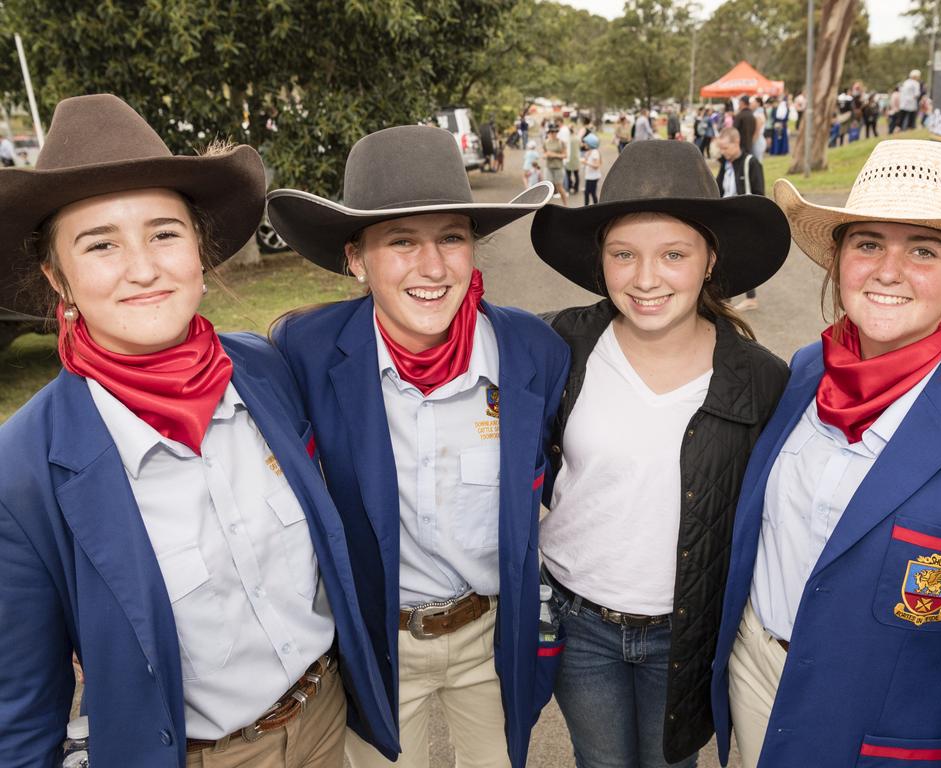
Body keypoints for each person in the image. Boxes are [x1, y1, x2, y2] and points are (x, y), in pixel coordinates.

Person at [0, 94, 398, 767]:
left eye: (164, 233)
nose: (143, 268)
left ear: (198, 249)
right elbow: (23, 710)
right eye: (100, 245)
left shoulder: (265, 370)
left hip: (326, 719)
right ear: (57, 278)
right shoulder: (25, 469)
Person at [710, 139, 941, 767]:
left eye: (924, 251)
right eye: (869, 243)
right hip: (756, 681)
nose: (888, 270)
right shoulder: (805, 371)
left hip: (878, 738)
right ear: (838, 260)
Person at [266, 125, 570, 768]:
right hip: (380, 643)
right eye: (401, 242)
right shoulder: (307, 352)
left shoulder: (530, 352)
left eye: (451, 238)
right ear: (356, 258)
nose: (432, 268)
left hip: (488, 633)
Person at [530, 140, 791, 768]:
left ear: (709, 261)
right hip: (578, 619)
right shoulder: (559, 346)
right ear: (602, 261)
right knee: (600, 759)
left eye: (673, 254)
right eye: (625, 254)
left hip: (685, 630)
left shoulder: (759, 380)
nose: (646, 280)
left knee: (672, 761)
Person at [715, 127, 765, 312]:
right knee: (725, 256)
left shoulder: (751, 163)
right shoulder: (725, 164)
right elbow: (719, 189)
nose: (723, 152)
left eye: (726, 148)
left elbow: (759, 194)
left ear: (736, 143)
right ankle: (725, 297)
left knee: (740, 258)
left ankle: (748, 298)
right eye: (721, 148)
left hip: (743, 219)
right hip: (726, 218)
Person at [544, 124, 570, 205]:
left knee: (559, 187)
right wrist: (546, 155)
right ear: (549, 132)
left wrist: (554, 155)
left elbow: (565, 155)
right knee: (547, 188)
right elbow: (544, 154)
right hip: (548, 167)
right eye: (551, 131)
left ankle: (566, 205)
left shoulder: (561, 142)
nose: (552, 133)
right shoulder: (546, 142)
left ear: (557, 132)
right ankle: (545, 207)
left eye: (554, 131)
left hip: (558, 167)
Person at [581, 132, 601, 206]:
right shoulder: (590, 151)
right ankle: (590, 207)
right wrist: (586, 157)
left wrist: (586, 162)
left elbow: (597, 165)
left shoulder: (595, 152)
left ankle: (589, 207)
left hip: (593, 177)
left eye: (585, 143)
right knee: (589, 193)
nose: (584, 144)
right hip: (589, 177)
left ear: (590, 144)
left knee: (590, 193)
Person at [565, 122, 581, 195]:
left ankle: (569, 187)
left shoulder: (567, 139)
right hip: (576, 159)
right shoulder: (577, 138)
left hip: (568, 160)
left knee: (568, 175)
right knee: (576, 175)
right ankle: (576, 188)